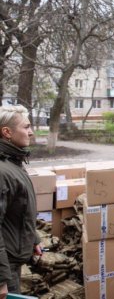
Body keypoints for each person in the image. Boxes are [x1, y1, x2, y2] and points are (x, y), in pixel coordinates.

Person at [0, 105, 42, 297]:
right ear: (7, 132)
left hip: (11, 261)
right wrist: (1, 280)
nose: (31, 132)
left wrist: (33, 238)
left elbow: (20, 208)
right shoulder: (2, 171)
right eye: (26, 127)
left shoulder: (13, 162)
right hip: (5, 266)